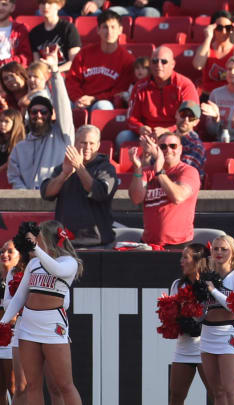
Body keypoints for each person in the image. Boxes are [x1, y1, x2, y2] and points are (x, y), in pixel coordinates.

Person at [0, 220, 83, 405]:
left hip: (53, 326)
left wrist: (36, 249)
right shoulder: (34, 263)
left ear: (50, 239)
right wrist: (3, 322)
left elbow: (56, 269)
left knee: (64, 385)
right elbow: (20, 296)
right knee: (33, 386)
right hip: (28, 325)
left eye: (39, 237)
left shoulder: (69, 262)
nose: (36, 240)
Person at [40, 125, 118, 248]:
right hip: (66, 243)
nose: (87, 147)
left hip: (97, 244)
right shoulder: (64, 167)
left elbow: (100, 192)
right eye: (83, 143)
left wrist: (79, 167)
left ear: (98, 146)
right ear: (75, 143)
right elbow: (46, 194)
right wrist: (64, 175)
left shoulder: (106, 169)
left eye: (91, 143)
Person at [8, 50, 75, 190]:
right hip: (27, 206)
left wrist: (55, 72)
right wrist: (27, 197)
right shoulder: (19, 148)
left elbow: (63, 106)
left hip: (57, 201)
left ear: (51, 115)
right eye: (34, 112)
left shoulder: (62, 135)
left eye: (43, 112)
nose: (38, 115)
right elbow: (14, 177)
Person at [128, 132, 201, 249]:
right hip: (149, 243)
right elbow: (136, 198)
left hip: (179, 244)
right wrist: (137, 168)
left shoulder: (188, 171)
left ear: (180, 149)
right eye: (163, 147)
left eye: (173, 146)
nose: (168, 149)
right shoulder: (147, 172)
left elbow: (178, 197)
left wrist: (159, 171)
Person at [118, 46, 200, 147]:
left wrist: (168, 131)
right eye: (155, 61)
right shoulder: (140, 86)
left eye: (164, 61)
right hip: (148, 135)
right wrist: (140, 128)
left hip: (176, 133)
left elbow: (192, 119)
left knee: (190, 136)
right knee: (123, 137)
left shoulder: (185, 85)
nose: (159, 65)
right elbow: (131, 118)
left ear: (173, 64)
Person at [201, 235, 234, 405]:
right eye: (215, 249)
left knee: (230, 390)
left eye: (224, 249)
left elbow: (233, 307)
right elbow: (201, 310)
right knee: (216, 392)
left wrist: (212, 290)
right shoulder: (206, 276)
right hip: (207, 334)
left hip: (228, 334)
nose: (219, 252)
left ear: (233, 252)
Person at [65, 9, 134, 112]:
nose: (109, 32)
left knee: (103, 107)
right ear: (98, 30)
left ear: (120, 30)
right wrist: (78, 98)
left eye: (113, 27)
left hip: (105, 102)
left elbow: (120, 90)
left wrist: (95, 99)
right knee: (63, 105)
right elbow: (72, 80)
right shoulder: (85, 53)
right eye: (105, 27)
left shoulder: (127, 59)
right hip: (81, 100)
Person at [168, 244, 209, 405]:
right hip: (184, 346)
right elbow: (171, 316)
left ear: (198, 261)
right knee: (176, 396)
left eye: (186, 257)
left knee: (217, 394)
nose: (181, 261)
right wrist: (178, 321)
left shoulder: (210, 285)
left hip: (207, 346)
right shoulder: (178, 285)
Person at [192, 10, 234, 99]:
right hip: (209, 96)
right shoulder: (207, 49)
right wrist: (208, 38)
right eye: (219, 28)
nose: (224, 32)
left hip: (231, 97)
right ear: (213, 29)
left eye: (228, 28)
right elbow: (198, 65)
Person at [30, 0, 81, 73]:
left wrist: (54, 71)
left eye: (50, 3)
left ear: (59, 6)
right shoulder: (34, 33)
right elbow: (37, 63)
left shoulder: (68, 29)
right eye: (42, 3)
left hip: (65, 75)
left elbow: (74, 61)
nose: (45, 6)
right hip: (44, 78)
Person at [0, 240, 18, 405]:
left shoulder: (21, 277)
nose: (4, 255)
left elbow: (17, 313)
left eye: (10, 251)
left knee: (15, 386)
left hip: (12, 336)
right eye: (2, 251)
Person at [172, 101, 206, 181]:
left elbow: (183, 172)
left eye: (191, 117)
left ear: (196, 122)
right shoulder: (166, 139)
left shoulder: (196, 145)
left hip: (184, 186)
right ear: (176, 115)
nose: (186, 120)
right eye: (183, 114)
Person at [0, 0, 32, 68]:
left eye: (4, 4)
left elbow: (26, 57)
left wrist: (4, 63)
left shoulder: (20, 30)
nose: (0, 7)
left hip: (10, 72)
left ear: (12, 7)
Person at [0, 109, 25, 173]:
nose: (2, 124)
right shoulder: (2, 139)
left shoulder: (20, 143)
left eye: (6, 121)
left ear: (15, 123)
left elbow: (9, 164)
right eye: (1, 121)